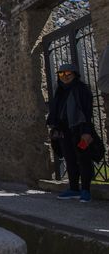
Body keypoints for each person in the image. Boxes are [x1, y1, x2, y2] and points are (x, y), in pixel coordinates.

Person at [46, 63, 95, 202]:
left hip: (79, 129)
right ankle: (74, 188)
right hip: (64, 131)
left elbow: (87, 112)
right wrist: (55, 127)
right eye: (61, 74)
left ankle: (85, 190)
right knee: (70, 159)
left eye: (68, 74)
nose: (65, 77)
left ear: (74, 74)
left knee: (83, 159)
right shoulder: (60, 91)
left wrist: (86, 131)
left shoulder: (81, 89)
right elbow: (56, 111)